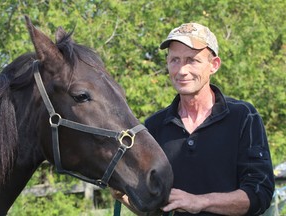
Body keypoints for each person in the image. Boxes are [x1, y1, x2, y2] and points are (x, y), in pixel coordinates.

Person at [111, 22, 274, 216]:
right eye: (175, 60)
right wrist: (124, 196)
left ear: (214, 65)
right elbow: (154, 210)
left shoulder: (243, 116)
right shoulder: (153, 126)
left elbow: (259, 194)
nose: (181, 70)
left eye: (192, 60)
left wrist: (199, 202)